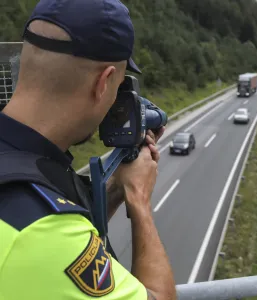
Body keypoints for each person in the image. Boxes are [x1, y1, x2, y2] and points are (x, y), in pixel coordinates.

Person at [0, 0, 176, 299]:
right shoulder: (43, 229)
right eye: (120, 85)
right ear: (104, 82)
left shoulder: (25, 166)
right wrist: (138, 199)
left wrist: (114, 190)